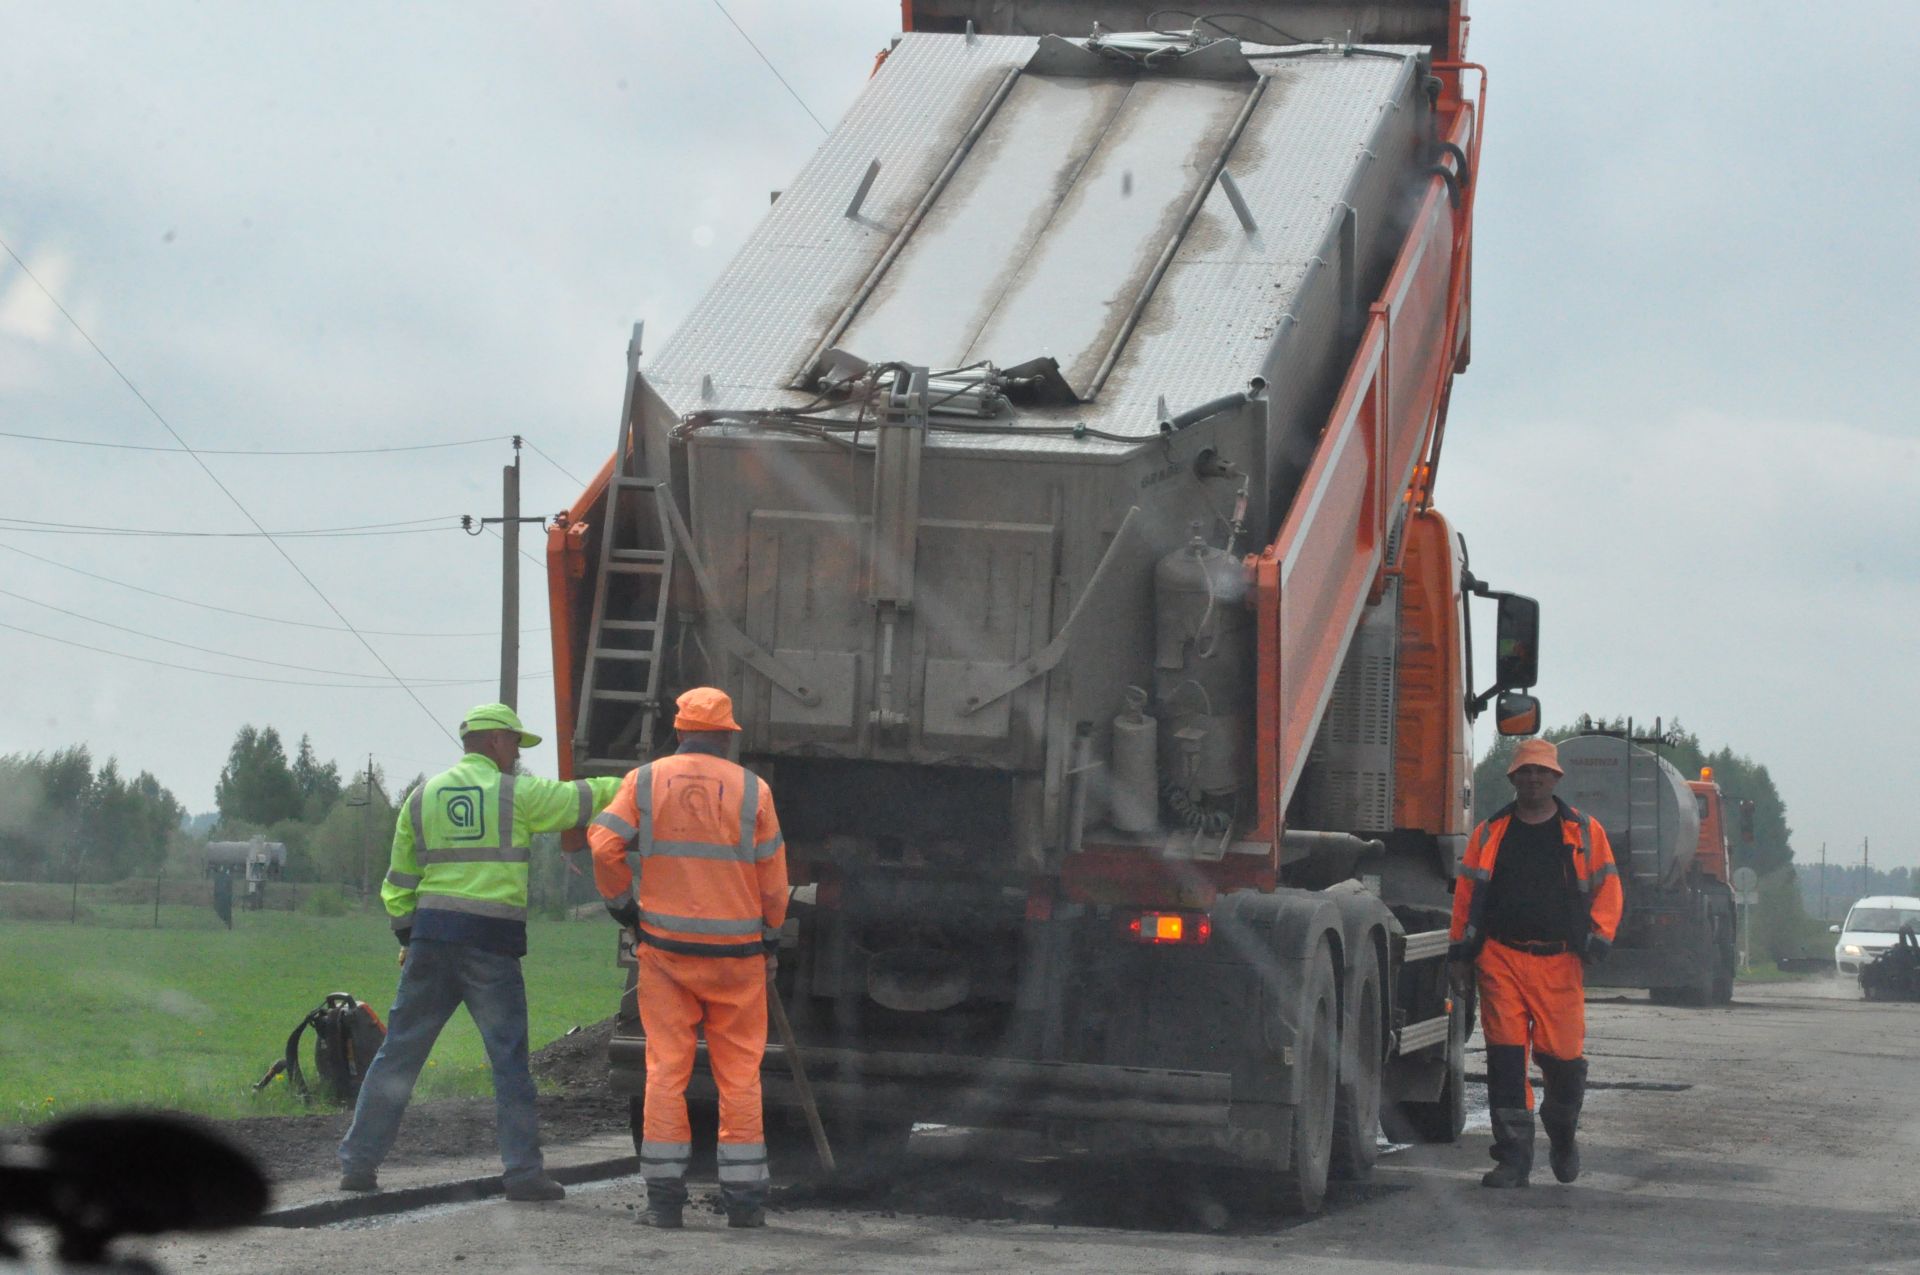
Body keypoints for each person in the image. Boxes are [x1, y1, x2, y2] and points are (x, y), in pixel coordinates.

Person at [337, 703, 621, 1200]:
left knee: (397, 1057)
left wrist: (409, 938)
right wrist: (649, 779)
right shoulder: (515, 794)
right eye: (514, 744)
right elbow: (583, 799)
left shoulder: (421, 798)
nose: (517, 755)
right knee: (509, 1063)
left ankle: (357, 1165)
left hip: (430, 941)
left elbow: (399, 882)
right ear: (493, 742)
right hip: (490, 947)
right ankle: (523, 1175)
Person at [587, 687, 788, 1230]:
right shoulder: (754, 791)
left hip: (667, 955)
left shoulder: (645, 781)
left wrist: (624, 907)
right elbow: (774, 878)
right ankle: (745, 1207)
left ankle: (664, 1204)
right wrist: (771, 936)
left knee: (665, 1071)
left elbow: (604, 844)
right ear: (726, 736)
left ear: (678, 732)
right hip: (737, 959)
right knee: (740, 1077)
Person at [1449, 737, 1622, 1189]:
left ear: (1555, 778)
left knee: (1563, 1061)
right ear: (1513, 779)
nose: (1533, 779)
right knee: (1506, 1061)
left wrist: (1600, 936)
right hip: (1500, 958)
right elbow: (1466, 898)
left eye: (1541, 772)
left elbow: (1608, 888)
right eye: (1524, 772)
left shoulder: (1585, 832)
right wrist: (1460, 955)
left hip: (1560, 963)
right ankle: (1513, 1159)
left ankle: (1561, 1132)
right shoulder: (1489, 833)